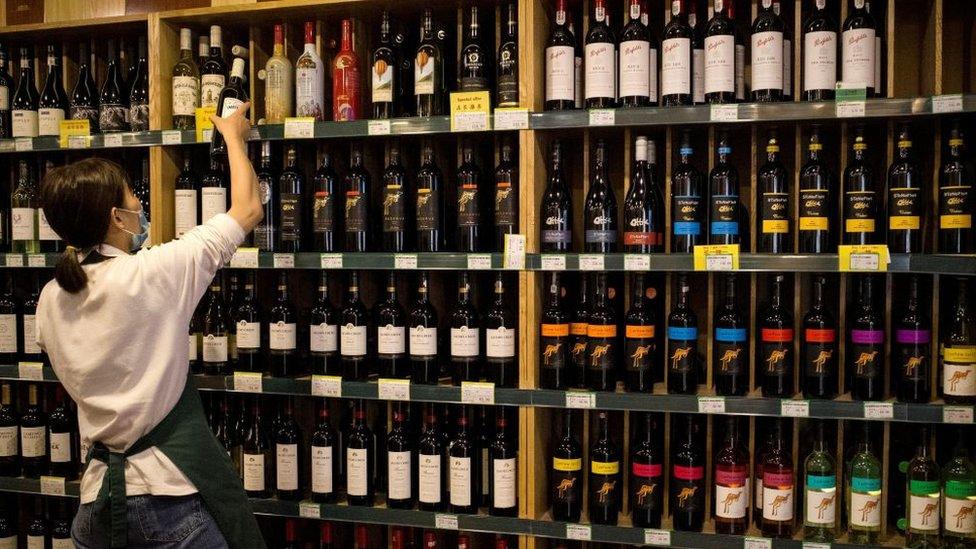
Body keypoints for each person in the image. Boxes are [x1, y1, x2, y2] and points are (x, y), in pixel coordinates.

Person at [35, 103, 265, 549]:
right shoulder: (154, 272)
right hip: (169, 501)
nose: (139, 201)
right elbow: (249, 208)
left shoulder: (49, 299)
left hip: (96, 505)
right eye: (131, 196)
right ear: (116, 218)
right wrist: (234, 137)